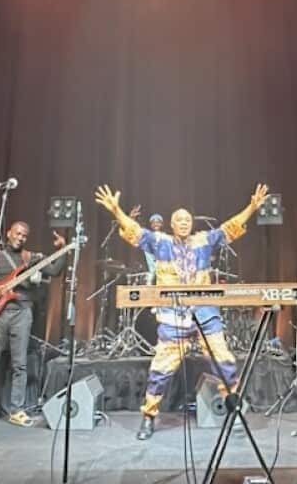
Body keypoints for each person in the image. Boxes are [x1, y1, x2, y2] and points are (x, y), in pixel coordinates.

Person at [95, 183, 268, 441]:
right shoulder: (159, 242)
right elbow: (134, 231)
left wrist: (252, 208)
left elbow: (228, 228)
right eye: (179, 220)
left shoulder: (203, 241)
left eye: (188, 219)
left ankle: (234, 411)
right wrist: (117, 210)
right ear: (172, 225)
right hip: (173, 316)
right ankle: (149, 416)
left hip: (205, 313)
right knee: (161, 369)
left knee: (224, 361)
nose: (184, 222)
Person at [0, 222, 67, 429]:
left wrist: (62, 249)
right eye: (17, 234)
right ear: (8, 234)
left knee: (20, 364)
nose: (21, 237)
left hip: (23, 312)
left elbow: (55, 270)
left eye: (24, 235)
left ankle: (16, 410)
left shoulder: (30, 258)